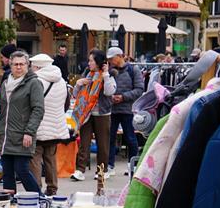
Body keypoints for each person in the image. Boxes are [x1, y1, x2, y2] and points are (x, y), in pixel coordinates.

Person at [0, 50, 44, 193]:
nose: (18, 67)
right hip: (5, 135)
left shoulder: (34, 83)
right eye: (15, 64)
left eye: (22, 64)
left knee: (22, 170)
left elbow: (38, 109)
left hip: (23, 135)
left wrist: (29, 131)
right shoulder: (5, 83)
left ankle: (38, 199)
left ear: (27, 65)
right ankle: (9, 204)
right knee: (8, 173)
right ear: (10, 65)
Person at [70, 49, 116, 182]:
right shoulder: (87, 74)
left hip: (102, 113)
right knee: (84, 142)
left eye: (91, 60)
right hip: (86, 113)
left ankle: (102, 170)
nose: (88, 63)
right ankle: (79, 170)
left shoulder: (110, 74)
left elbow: (109, 91)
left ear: (98, 62)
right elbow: (76, 94)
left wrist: (106, 74)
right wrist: (78, 84)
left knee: (103, 143)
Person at [28, 53, 69, 196]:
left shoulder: (36, 81)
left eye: (32, 66)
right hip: (55, 127)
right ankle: (52, 188)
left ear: (38, 67)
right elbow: (66, 104)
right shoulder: (61, 81)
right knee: (51, 159)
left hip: (38, 127)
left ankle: (36, 188)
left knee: (35, 160)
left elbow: (30, 104)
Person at [107, 47, 143, 176]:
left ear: (119, 56)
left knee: (130, 138)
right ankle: (109, 165)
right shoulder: (110, 71)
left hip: (127, 109)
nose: (110, 61)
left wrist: (123, 97)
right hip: (112, 109)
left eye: (112, 59)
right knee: (110, 138)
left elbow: (139, 89)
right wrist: (110, 97)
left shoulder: (133, 70)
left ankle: (131, 165)